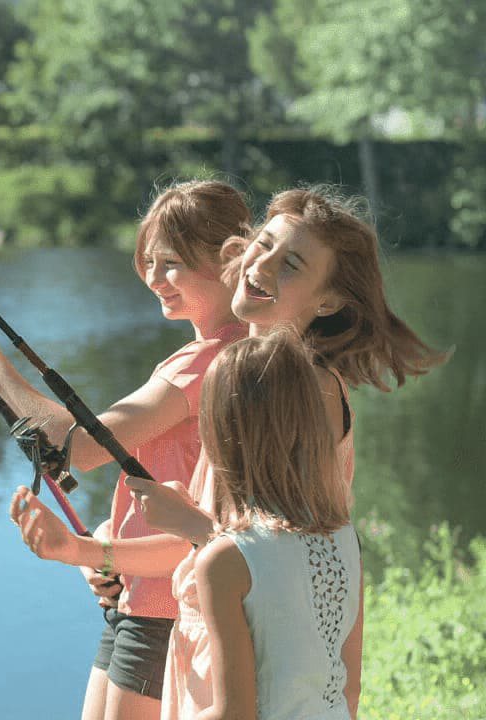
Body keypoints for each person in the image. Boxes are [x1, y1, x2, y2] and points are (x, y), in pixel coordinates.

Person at [123, 186, 448, 718]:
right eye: (264, 243)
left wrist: (196, 530)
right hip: (212, 643)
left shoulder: (307, 389)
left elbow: (290, 554)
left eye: (291, 263)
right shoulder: (247, 374)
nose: (262, 264)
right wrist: (107, 553)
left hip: (256, 665)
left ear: (329, 301)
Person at [0, 180, 250, 720]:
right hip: (141, 594)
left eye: (171, 263)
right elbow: (182, 481)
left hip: (167, 607)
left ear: (228, 261)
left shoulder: (204, 365)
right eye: (148, 262)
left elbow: (78, 449)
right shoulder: (224, 354)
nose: (154, 278)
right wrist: (108, 544)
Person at [192, 328, 363, 720]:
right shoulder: (345, 535)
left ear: (221, 431)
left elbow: (234, 714)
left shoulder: (225, 560)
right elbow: (350, 688)